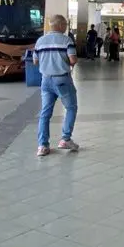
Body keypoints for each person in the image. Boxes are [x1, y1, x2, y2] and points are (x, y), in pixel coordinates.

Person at [33, 14, 79, 157]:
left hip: (46, 80)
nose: (65, 27)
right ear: (60, 26)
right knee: (71, 107)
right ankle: (65, 139)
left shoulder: (40, 41)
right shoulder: (66, 40)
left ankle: (42, 146)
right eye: (65, 25)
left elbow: (35, 61)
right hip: (62, 80)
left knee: (45, 113)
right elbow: (72, 60)